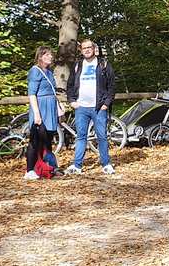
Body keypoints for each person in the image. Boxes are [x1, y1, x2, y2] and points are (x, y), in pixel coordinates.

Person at [65, 39, 116, 175]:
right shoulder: (77, 65)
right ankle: (77, 166)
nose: (87, 50)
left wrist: (106, 103)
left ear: (94, 49)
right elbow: (70, 85)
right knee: (81, 137)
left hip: (99, 108)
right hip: (81, 107)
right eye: (84, 48)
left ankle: (106, 164)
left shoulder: (103, 64)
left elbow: (111, 86)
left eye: (89, 47)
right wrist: (72, 101)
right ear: (81, 51)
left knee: (102, 136)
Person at [25, 46, 60, 180]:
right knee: (36, 140)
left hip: (50, 108)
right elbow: (32, 94)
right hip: (40, 108)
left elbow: (53, 92)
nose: (50, 57)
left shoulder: (49, 72)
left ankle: (47, 167)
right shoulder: (35, 71)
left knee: (47, 140)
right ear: (40, 57)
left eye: (50, 55)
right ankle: (29, 170)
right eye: (46, 55)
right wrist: (37, 114)